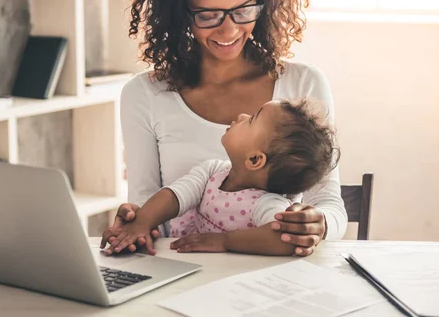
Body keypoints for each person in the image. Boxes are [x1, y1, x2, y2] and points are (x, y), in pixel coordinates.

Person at [103, 0, 347, 257]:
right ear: (182, 15)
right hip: (180, 267)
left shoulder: (303, 83)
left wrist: (319, 224)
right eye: (209, 15)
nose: (229, 29)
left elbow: (329, 203)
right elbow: (152, 207)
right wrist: (138, 221)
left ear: (264, 6)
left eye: (242, 11)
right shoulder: (144, 94)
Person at [103, 99, 339, 256]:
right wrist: (141, 222)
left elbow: (285, 239)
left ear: (255, 160)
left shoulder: (266, 203)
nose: (242, 114)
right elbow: (175, 196)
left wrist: (225, 242)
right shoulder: (212, 172)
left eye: (252, 119)